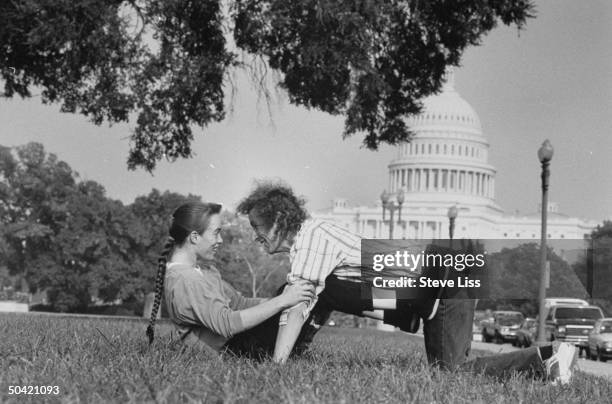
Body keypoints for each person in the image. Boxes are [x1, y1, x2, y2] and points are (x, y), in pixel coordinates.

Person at [236, 181, 578, 385]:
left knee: (454, 373)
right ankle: (409, 310)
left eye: (257, 227)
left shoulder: (312, 240)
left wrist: (277, 368)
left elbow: (297, 310)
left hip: (446, 285)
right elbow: (318, 301)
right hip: (444, 278)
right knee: (324, 290)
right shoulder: (316, 236)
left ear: (280, 221)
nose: (255, 238)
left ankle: (546, 357)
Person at [145, 202, 316, 357]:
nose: (220, 240)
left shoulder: (204, 270)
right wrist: (282, 301)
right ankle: (287, 355)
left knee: (300, 289)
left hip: (238, 341)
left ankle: (295, 345)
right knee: (318, 290)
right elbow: (226, 324)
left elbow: (239, 303)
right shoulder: (186, 280)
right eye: (216, 233)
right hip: (231, 350)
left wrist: (281, 298)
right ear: (195, 237)